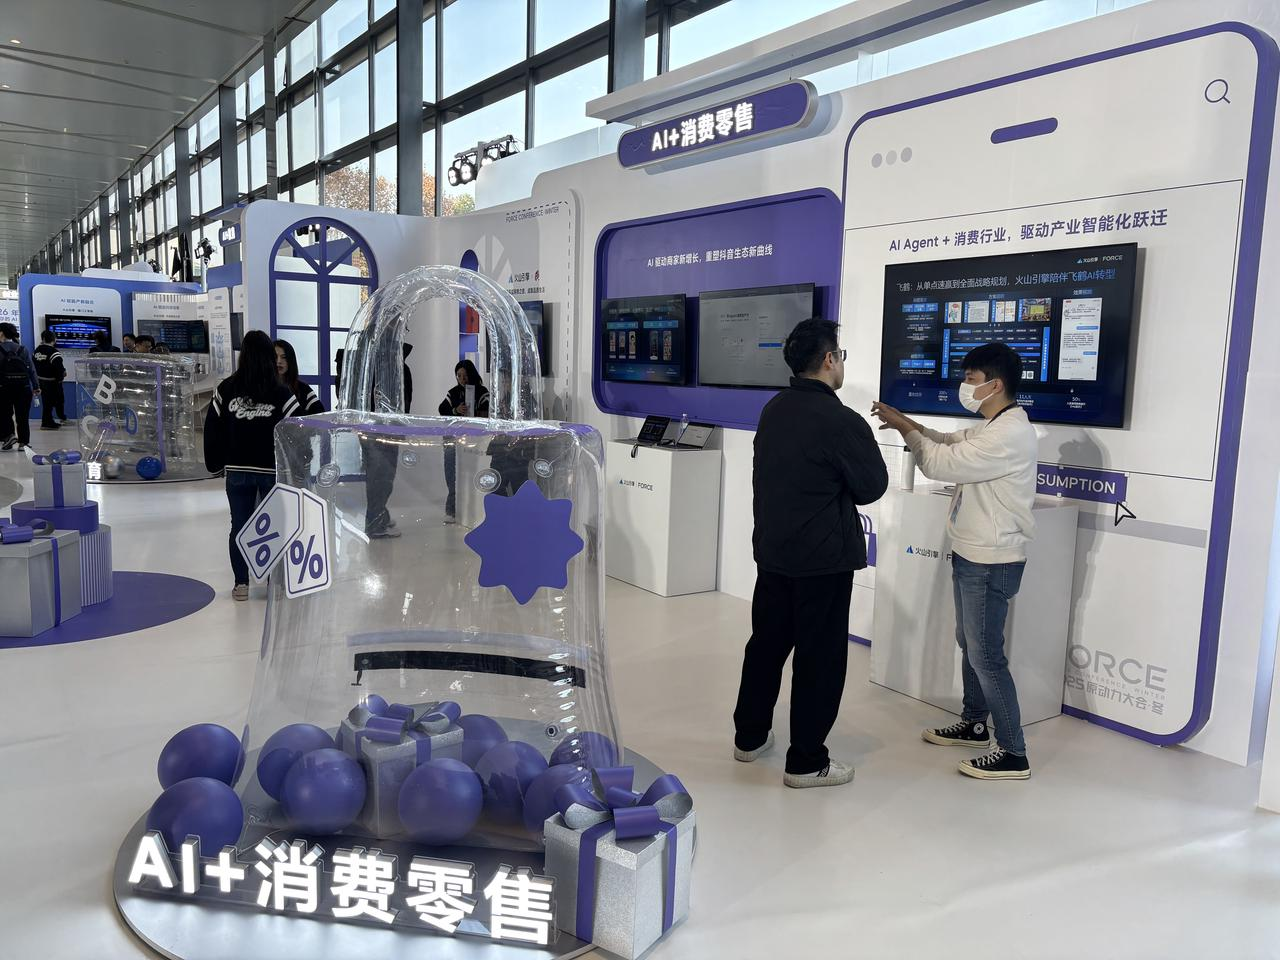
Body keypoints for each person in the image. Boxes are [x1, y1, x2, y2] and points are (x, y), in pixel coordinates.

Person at [871, 342, 1037, 782]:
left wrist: (904, 430)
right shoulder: (992, 425)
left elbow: (939, 462)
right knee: (971, 643)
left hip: (991, 559)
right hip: (972, 552)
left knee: (986, 655)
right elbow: (946, 440)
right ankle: (975, 723)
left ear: (995, 385)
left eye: (971, 379)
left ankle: (1013, 752)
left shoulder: (1009, 434)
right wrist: (905, 421)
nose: (965, 386)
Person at [733, 318, 887, 789]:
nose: (841, 363)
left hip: (774, 553)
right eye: (840, 354)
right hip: (822, 561)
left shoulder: (774, 409)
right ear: (828, 359)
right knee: (819, 661)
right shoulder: (841, 421)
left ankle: (749, 738)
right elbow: (872, 487)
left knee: (766, 647)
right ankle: (805, 761)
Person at [203, 330, 299, 601]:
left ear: (243, 355)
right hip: (272, 471)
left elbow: (212, 430)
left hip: (237, 471)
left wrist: (215, 465)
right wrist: (295, 467)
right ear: (269, 355)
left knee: (239, 526)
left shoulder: (226, 388)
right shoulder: (281, 392)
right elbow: (296, 431)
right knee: (273, 525)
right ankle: (273, 584)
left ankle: (241, 584)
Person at [438, 360, 491, 522]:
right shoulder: (453, 393)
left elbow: (486, 412)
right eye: (459, 375)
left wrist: (473, 414)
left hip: (474, 440)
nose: (462, 379)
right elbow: (442, 409)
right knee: (451, 471)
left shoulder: (482, 392)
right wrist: (456, 410)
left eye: (465, 375)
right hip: (453, 438)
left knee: (473, 473)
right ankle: (452, 509)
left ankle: (474, 509)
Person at [0, 322, 40, 452]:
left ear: (1, 333)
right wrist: (36, 386)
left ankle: (9, 436)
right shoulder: (22, 349)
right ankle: (24, 443)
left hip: (4, 387)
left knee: (5, 414)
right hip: (23, 387)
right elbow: (31, 369)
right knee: (22, 416)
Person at [274, 338, 325, 415]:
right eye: (275, 357)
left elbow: (319, 415)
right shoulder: (262, 389)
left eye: (284, 357)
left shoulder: (303, 389)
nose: (279, 361)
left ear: (291, 360)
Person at [33, 331, 67, 429]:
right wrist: (61, 377)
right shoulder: (54, 352)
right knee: (54, 402)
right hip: (52, 382)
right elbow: (59, 368)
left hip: (40, 380)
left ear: (43, 339)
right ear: (54, 339)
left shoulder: (36, 351)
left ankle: (48, 421)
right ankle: (47, 422)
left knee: (46, 402)